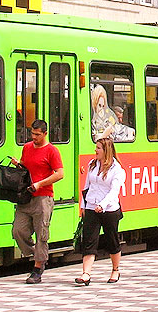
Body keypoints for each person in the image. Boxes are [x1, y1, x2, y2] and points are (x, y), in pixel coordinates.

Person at [11, 119, 64, 284]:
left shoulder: (52, 151)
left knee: (42, 234)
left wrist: (40, 184)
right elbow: (26, 168)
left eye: (37, 134)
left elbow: (60, 173)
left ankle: (37, 268)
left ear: (45, 134)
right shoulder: (27, 148)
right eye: (32, 133)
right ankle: (39, 255)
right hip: (26, 197)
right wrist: (18, 165)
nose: (33, 137)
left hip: (43, 198)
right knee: (18, 231)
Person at [76, 137, 125, 285]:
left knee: (112, 240)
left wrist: (102, 205)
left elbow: (114, 191)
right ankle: (86, 274)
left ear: (106, 151)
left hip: (109, 209)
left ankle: (115, 270)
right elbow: (86, 186)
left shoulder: (117, 169)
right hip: (91, 207)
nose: (95, 150)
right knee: (89, 241)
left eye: (98, 148)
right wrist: (83, 205)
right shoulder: (92, 164)